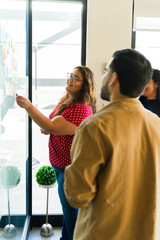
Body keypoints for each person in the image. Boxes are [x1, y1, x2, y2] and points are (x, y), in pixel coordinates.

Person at [64, 49, 160, 240]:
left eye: (106, 71)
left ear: (113, 78)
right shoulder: (156, 123)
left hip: (102, 233)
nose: (103, 76)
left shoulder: (95, 126)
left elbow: (78, 196)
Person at [16, 65, 96, 240]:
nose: (70, 80)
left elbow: (51, 124)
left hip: (69, 169)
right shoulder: (67, 98)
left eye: (76, 78)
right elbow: (52, 122)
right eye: (71, 76)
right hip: (61, 164)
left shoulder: (81, 109)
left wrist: (29, 107)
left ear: (84, 85)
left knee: (70, 213)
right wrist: (51, 128)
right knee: (68, 210)